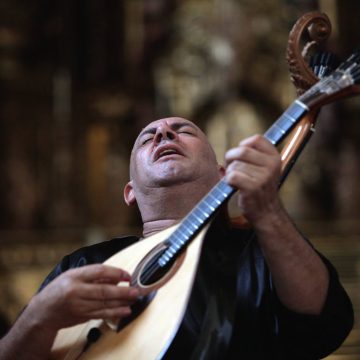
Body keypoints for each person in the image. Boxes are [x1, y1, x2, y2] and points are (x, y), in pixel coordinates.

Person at [0, 117, 353, 359]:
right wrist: (40, 316)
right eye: (146, 137)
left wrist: (269, 212)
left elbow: (323, 325)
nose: (164, 135)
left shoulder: (263, 251)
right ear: (130, 193)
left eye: (182, 131)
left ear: (222, 175)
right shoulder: (85, 264)